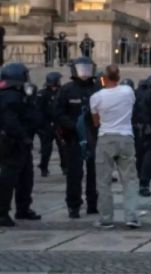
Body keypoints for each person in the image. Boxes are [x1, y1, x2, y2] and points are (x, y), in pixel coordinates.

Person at [89, 64, 140, 229]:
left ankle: (106, 218)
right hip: (126, 137)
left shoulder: (96, 97)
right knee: (130, 179)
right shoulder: (128, 91)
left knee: (103, 181)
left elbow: (96, 122)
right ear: (118, 77)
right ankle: (131, 216)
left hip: (106, 137)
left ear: (103, 78)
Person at [54, 56, 101, 219]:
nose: (85, 74)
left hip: (93, 136)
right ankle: (73, 205)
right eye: (82, 69)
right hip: (73, 137)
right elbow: (57, 112)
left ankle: (93, 204)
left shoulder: (97, 89)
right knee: (75, 173)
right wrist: (72, 125)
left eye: (87, 70)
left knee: (94, 172)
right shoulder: (67, 90)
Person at [0, 63, 42, 226]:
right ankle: (2, 212)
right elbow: (10, 121)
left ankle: (23, 208)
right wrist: (22, 135)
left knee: (26, 177)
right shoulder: (9, 96)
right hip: (11, 142)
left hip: (21, 143)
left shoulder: (18, 95)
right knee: (8, 179)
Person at [35, 72, 64, 177]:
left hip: (58, 124)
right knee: (46, 149)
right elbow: (38, 111)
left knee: (62, 147)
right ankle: (44, 167)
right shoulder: (42, 94)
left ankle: (65, 167)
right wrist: (41, 126)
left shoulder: (61, 92)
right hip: (46, 125)